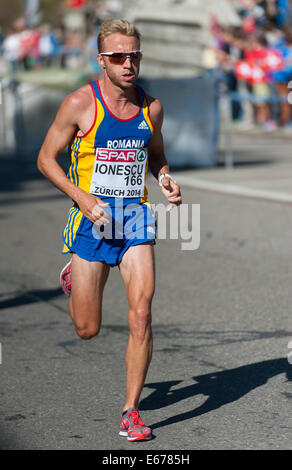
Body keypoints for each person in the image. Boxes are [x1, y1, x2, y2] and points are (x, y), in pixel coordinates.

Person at [37, 19, 182, 442]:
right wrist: (80, 197)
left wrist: (166, 177)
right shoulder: (80, 103)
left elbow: (156, 154)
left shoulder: (151, 108)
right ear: (102, 60)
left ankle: (130, 411)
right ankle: (74, 275)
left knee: (141, 313)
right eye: (118, 56)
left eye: (134, 55)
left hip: (134, 218)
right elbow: (46, 159)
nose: (127, 63)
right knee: (87, 328)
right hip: (92, 221)